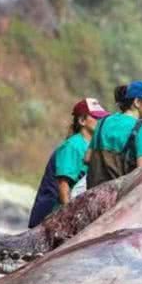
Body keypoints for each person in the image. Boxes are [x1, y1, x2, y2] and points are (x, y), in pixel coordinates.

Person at [28, 98, 110, 228]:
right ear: (82, 121)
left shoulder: (91, 146)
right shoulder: (72, 146)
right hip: (51, 217)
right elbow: (63, 186)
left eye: (102, 117)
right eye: (95, 117)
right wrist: (70, 219)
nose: (100, 121)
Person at [85, 81, 142, 188]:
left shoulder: (103, 122)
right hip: (119, 198)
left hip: (93, 194)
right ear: (137, 102)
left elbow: (87, 158)